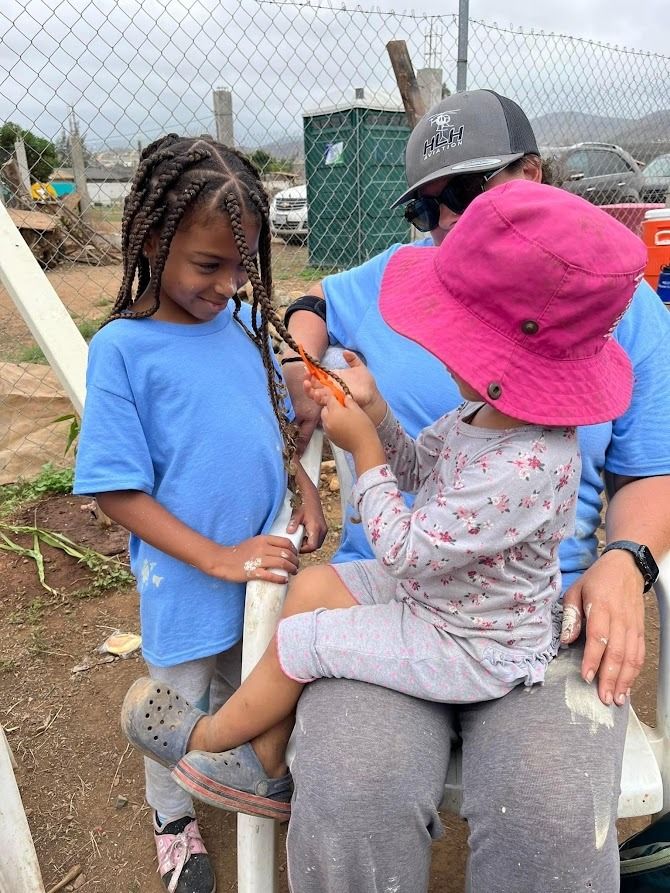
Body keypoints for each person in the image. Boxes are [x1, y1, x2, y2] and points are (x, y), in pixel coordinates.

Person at [119, 181, 648, 829]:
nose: (439, 347)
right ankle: (266, 763)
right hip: (446, 597)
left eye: (455, 336)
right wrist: (376, 412)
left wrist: (365, 450)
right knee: (311, 589)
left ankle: (205, 738)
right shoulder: (489, 415)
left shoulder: (531, 464)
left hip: (471, 643)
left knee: (303, 642)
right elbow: (423, 470)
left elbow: (407, 550)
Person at [274, 90, 670, 892]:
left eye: (465, 191)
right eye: (425, 207)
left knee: (549, 826)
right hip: (391, 592)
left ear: (534, 174)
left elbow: (651, 469)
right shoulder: (403, 277)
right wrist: (302, 363)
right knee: (353, 796)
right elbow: (312, 300)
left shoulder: (611, 308)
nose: (444, 220)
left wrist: (627, 560)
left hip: (539, 609)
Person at [73, 135, 327, 893]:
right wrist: (216, 557)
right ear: (153, 239)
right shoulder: (124, 348)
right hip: (187, 581)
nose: (226, 286)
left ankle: (246, 773)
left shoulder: (241, 332)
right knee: (174, 710)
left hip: (261, 570)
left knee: (250, 682)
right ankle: (172, 820)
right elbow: (115, 489)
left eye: (241, 266)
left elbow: (276, 423)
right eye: (208, 265)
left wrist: (303, 487)